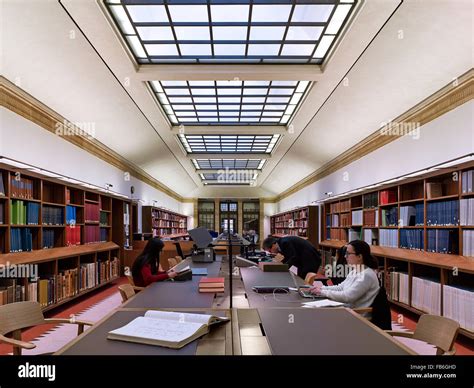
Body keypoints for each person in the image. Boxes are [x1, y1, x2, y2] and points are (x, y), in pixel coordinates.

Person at [309, 240, 379, 309]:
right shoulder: (355, 270)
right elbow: (341, 287)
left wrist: (322, 292)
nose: (345, 256)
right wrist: (320, 288)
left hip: (356, 315)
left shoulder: (367, 275)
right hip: (347, 309)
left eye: (348, 253)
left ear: (359, 256)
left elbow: (348, 297)